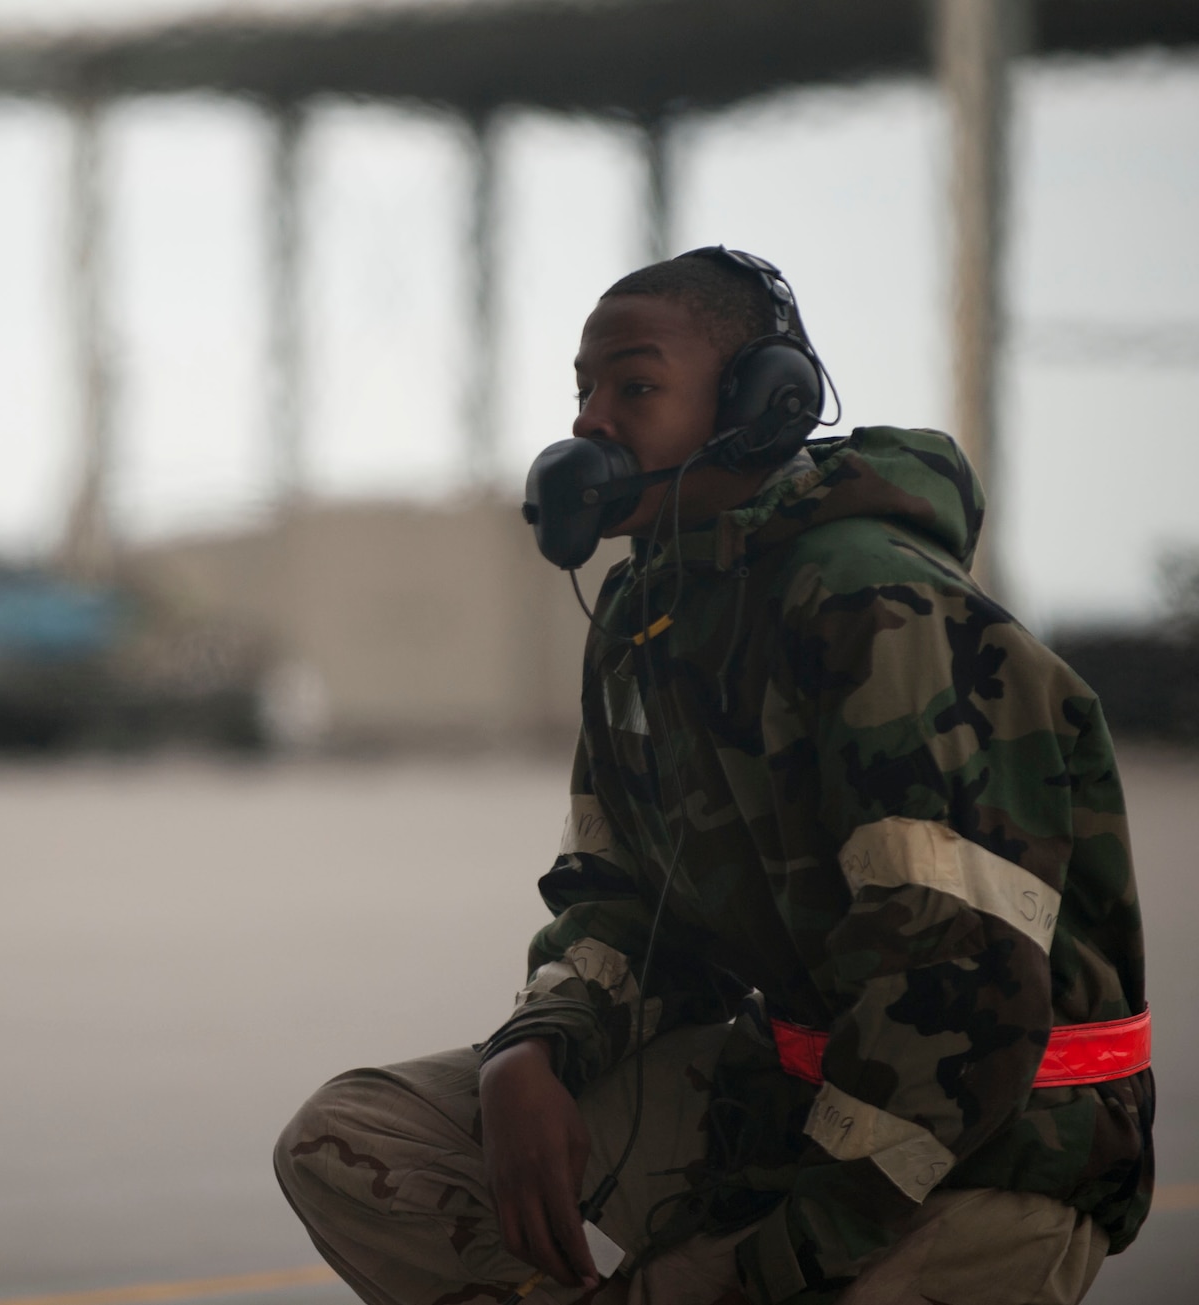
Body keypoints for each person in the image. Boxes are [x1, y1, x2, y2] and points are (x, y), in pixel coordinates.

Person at [273, 249, 1153, 1305]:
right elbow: (620, 900)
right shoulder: (649, 613)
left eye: (633, 388)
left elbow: (952, 998)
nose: (591, 421)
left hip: (980, 1153)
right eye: (582, 391)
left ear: (760, 405)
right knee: (351, 1138)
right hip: (780, 1103)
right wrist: (532, 1050)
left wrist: (757, 1265)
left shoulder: (871, 606)